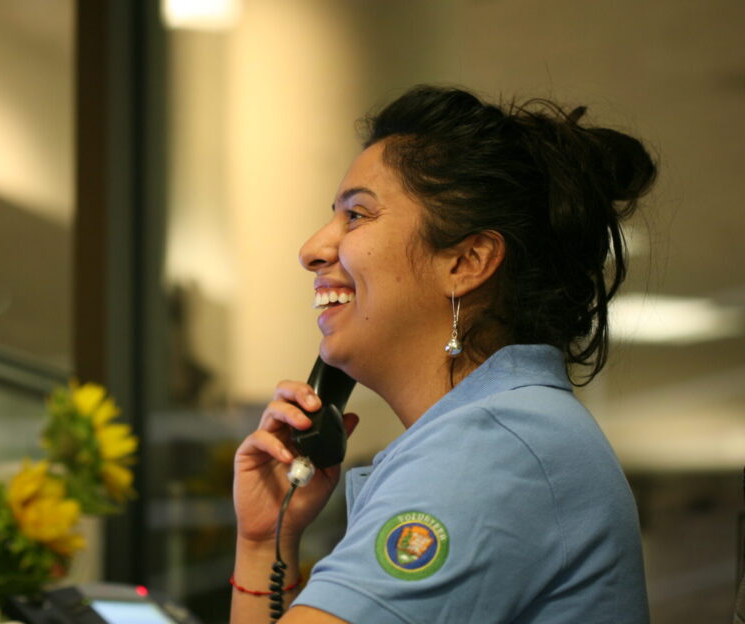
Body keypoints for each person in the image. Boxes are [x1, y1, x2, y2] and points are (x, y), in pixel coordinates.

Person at [230, 85, 657, 623]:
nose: (312, 250)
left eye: (356, 215)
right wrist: (263, 541)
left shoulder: (491, 450)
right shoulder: (508, 431)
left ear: (466, 262)